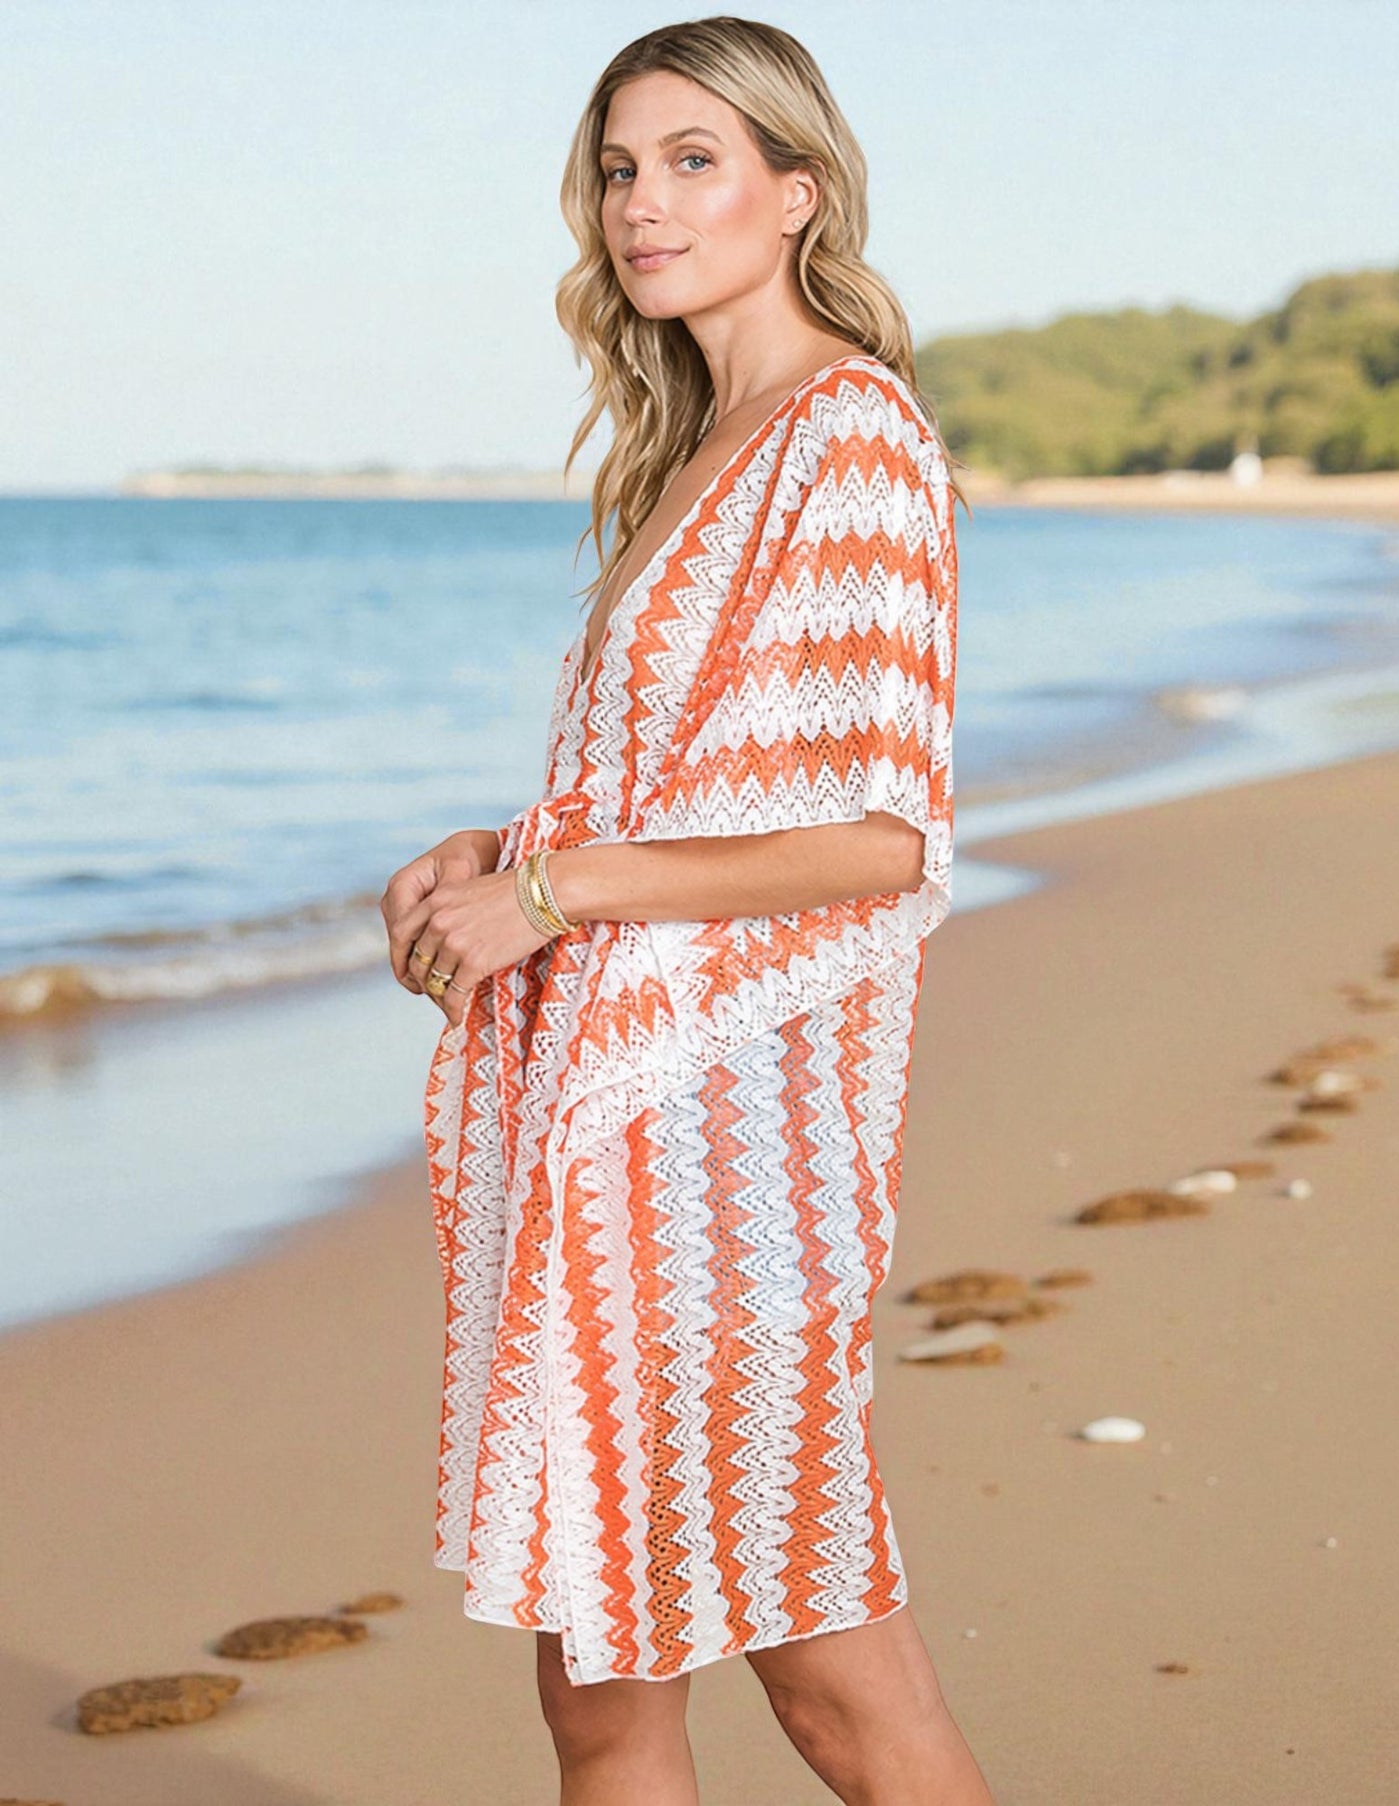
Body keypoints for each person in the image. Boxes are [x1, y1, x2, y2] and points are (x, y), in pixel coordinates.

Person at [379, 17, 993, 1804]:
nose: (643, 205)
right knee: (600, 1694)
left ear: (797, 194)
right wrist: (493, 852)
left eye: (694, 160)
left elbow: (882, 835)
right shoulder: (691, 449)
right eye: (621, 168)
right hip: (614, 1137)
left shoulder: (849, 440)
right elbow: (693, 784)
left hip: (728, 1151)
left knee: (832, 1687)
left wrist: (561, 888)